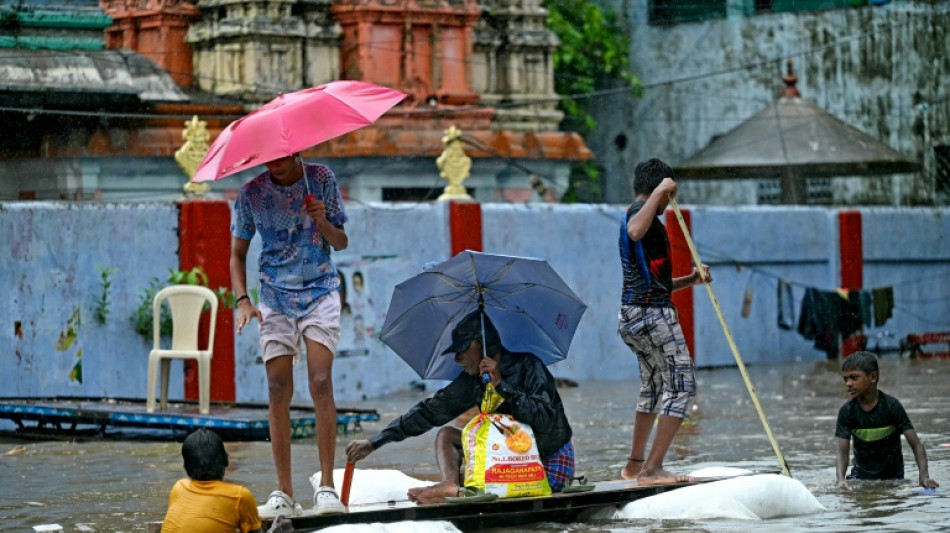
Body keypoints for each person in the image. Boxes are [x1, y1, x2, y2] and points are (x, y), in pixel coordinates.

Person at [344, 310, 575, 504]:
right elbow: (428, 412)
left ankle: (462, 487)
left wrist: (502, 387)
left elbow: (546, 419)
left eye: (462, 350)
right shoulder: (473, 381)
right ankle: (450, 484)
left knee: (483, 484)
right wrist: (375, 442)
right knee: (446, 435)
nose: (457, 358)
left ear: (480, 345)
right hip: (505, 459)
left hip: (546, 461)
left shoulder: (529, 366)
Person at [230, 153, 349, 517]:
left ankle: (327, 487)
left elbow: (341, 242)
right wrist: (243, 300)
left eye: (281, 157)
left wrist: (322, 220)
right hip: (274, 297)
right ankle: (285, 492)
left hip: (320, 291)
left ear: (295, 151)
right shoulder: (251, 194)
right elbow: (237, 255)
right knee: (277, 388)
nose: (275, 163)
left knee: (321, 381)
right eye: (268, 158)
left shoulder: (321, 179)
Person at [617, 158, 711, 486]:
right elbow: (634, 231)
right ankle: (652, 469)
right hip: (652, 316)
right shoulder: (637, 215)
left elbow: (655, 284)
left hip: (633, 314)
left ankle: (635, 466)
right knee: (682, 385)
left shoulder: (642, 219)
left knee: (655, 386)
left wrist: (691, 280)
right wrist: (660, 192)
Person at [835, 351, 939, 490]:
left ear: (873, 377)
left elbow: (916, 445)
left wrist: (924, 477)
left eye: (854, 378)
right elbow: (842, 453)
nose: (848, 383)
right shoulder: (846, 412)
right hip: (860, 480)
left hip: (894, 481)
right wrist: (840, 480)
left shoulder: (892, 406)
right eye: (845, 379)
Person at [161, 428, 291, 533]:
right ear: (226, 460)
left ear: (185, 467)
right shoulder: (239, 496)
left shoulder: (178, 488)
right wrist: (277, 530)